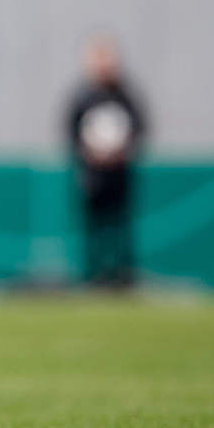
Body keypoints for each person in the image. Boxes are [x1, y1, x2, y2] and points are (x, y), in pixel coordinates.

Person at [65, 35, 147, 291]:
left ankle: (122, 275)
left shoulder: (125, 95)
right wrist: (88, 154)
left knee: (120, 224)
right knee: (93, 226)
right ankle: (94, 275)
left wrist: (121, 151)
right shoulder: (82, 96)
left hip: (120, 172)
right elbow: (71, 131)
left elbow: (140, 127)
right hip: (92, 173)